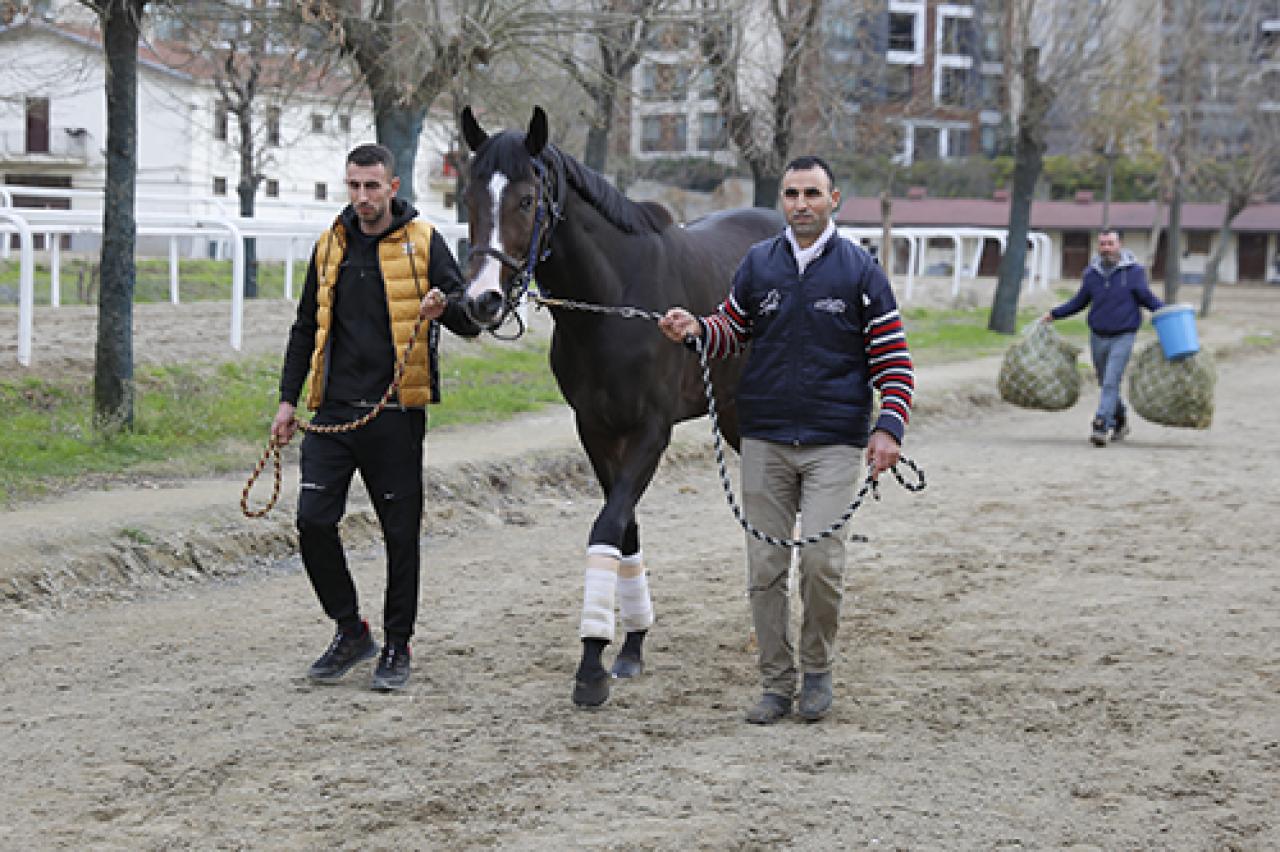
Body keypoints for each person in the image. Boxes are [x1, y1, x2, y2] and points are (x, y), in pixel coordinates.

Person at [658, 156, 915, 724]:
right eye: (792, 194)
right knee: (765, 568)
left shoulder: (861, 272)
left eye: (812, 194)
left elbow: (894, 363)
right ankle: (776, 682)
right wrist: (697, 329)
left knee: (821, 563)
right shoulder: (757, 265)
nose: (801, 204)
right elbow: (731, 327)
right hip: (765, 438)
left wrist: (888, 428)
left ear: (835, 200)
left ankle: (818, 670)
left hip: (834, 442)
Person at [272, 143, 480, 691]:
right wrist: (288, 400)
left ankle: (397, 645)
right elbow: (303, 328)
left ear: (392, 186)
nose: (362, 197)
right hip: (332, 413)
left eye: (372, 186)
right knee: (313, 521)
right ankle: (350, 631)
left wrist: (446, 309)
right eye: (354, 186)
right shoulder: (330, 245)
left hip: (395, 413)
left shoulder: (424, 243)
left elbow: (471, 320)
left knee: (399, 535)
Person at [1041, 228, 1163, 447]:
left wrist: (1169, 313)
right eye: (1103, 244)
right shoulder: (1091, 273)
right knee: (1105, 382)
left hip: (1124, 334)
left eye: (1110, 243)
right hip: (1098, 335)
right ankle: (1121, 420)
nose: (1106, 248)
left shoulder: (1134, 272)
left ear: (1120, 245)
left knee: (1111, 380)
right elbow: (1079, 301)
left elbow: (1147, 298)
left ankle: (1101, 425)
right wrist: (1055, 314)